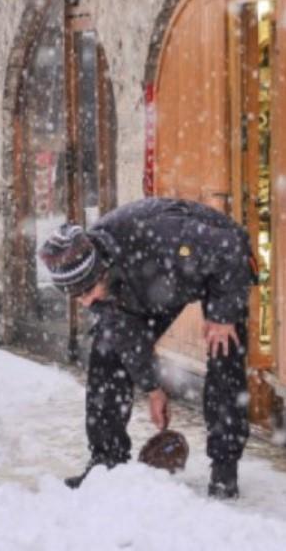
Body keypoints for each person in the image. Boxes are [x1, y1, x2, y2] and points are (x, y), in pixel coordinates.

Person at [39, 198, 255, 498]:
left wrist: (223, 315)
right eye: (77, 296)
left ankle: (224, 467)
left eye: (88, 290)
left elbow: (230, 247)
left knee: (224, 353)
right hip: (153, 286)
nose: (87, 302)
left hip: (217, 270)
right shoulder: (103, 286)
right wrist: (153, 388)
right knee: (107, 351)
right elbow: (128, 338)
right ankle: (107, 462)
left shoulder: (161, 234)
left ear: (103, 268)